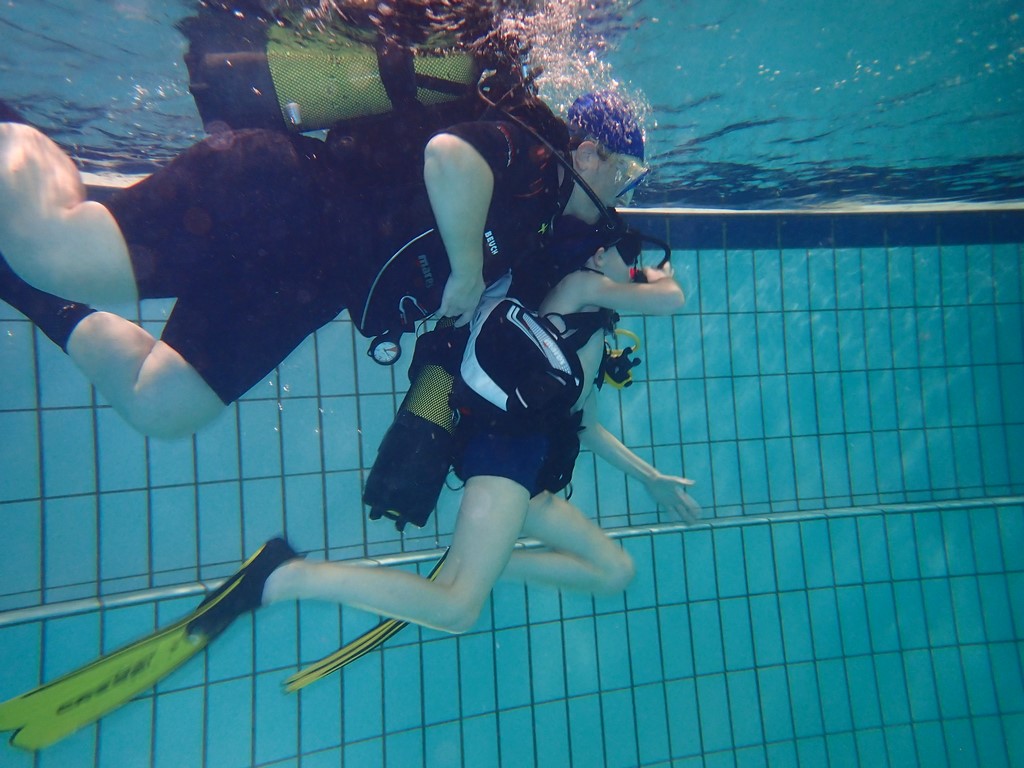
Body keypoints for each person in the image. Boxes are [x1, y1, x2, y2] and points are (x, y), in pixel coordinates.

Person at [0, 89, 649, 439]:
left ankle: (12, 282)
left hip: (306, 284)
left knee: (163, 406)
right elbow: (451, 157)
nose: (623, 194)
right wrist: (465, 269)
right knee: (54, 251)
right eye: (624, 174)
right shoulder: (532, 150)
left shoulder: (543, 222)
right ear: (587, 153)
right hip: (274, 196)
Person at [188, 218, 699, 639]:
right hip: (504, 458)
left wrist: (649, 478)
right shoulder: (581, 286)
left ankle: (486, 561)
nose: (633, 269)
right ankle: (285, 578)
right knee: (457, 610)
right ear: (599, 255)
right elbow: (672, 299)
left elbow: (582, 426)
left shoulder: (592, 328)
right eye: (629, 257)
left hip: (528, 475)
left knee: (615, 572)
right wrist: (656, 277)